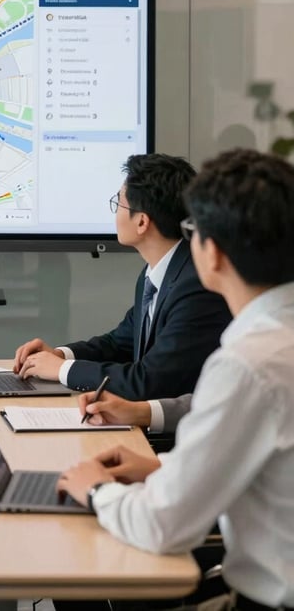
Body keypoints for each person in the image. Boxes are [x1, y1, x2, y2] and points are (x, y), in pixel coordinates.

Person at [57, 149, 294, 610]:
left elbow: (161, 526)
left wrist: (96, 489)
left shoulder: (248, 364)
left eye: (194, 232)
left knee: (78, 555)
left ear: (213, 252)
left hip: (262, 598)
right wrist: (162, 468)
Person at [13, 153, 232, 399]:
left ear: (142, 222)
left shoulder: (195, 286)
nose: (115, 211)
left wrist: (62, 370)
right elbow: (119, 343)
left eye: (119, 203)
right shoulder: (157, 272)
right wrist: (61, 355)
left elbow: (148, 381)